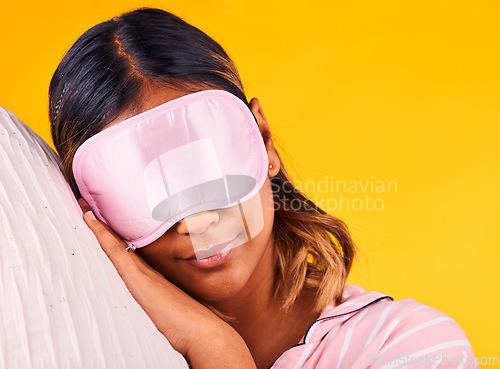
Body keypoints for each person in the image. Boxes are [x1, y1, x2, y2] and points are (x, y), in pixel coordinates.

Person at [49, 8, 477, 369]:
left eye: (207, 164)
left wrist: (216, 349)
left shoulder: (408, 346)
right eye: (143, 189)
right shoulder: (98, 353)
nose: (196, 219)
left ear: (263, 140)